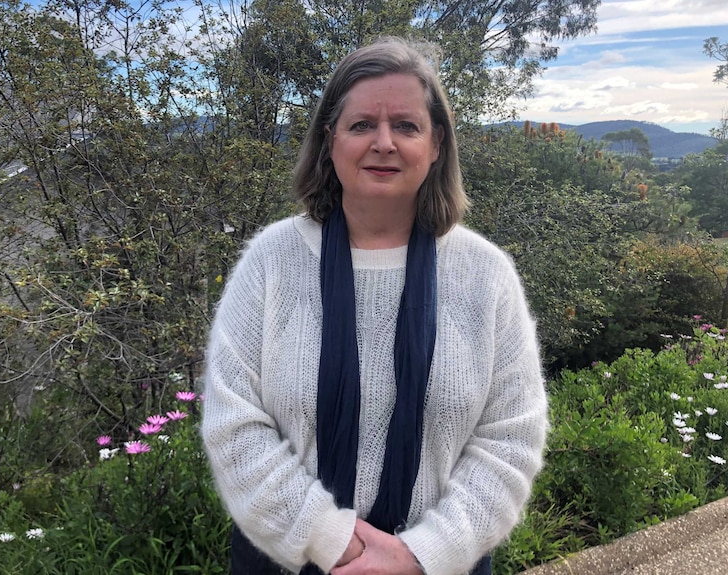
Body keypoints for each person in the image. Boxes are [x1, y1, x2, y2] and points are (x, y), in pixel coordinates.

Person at [201, 36, 548, 575]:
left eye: (406, 126)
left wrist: (418, 556)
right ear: (329, 140)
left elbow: (510, 441)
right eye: (362, 124)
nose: (383, 143)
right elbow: (233, 425)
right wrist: (333, 542)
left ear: (435, 146)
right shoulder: (271, 261)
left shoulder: (486, 275)